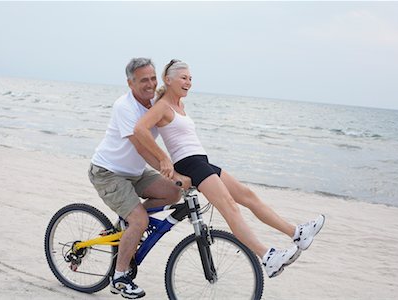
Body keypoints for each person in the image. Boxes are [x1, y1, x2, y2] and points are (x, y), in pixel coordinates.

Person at [134, 59, 325, 279]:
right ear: (168, 80)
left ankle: (297, 233)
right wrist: (164, 160)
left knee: (247, 195)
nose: (189, 82)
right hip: (189, 164)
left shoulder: (180, 106)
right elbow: (139, 129)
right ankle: (267, 257)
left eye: (190, 78)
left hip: (201, 161)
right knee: (230, 207)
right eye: (184, 78)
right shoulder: (162, 107)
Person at [88, 58, 188, 299]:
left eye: (153, 78)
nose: (150, 84)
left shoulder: (156, 101)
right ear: (130, 83)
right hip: (107, 171)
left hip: (135, 173)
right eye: (144, 80)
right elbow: (143, 148)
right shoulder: (124, 107)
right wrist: (171, 170)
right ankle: (119, 277)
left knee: (174, 192)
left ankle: (128, 222)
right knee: (140, 220)